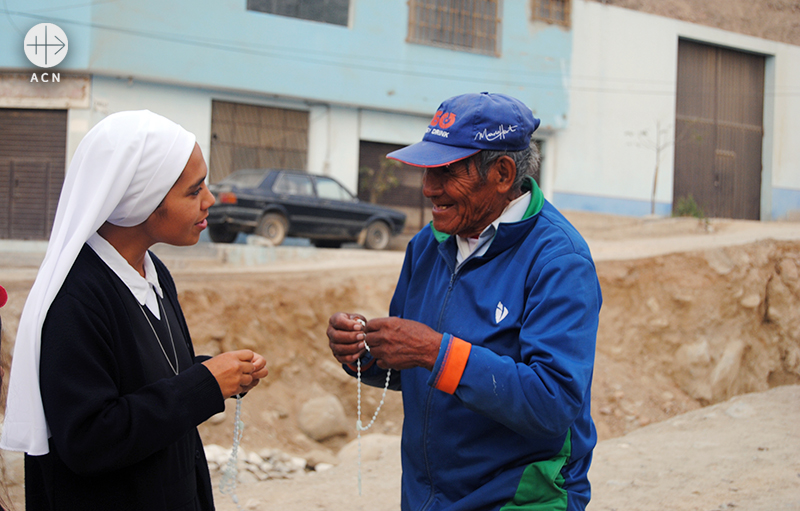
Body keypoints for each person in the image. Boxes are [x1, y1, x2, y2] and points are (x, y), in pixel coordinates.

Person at [327, 92, 602, 511]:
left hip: (521, 499)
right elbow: (412, 364)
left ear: (503, 173)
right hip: (428, 499)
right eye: (426, 171)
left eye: (446, 172)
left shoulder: (559, 260)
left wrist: (434, 351)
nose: (427, 188)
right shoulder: (428, 244)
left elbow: (553, 402)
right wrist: (363, 353)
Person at [0, 110, 269, 511]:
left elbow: (142, 376)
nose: (210, 201)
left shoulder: (152, 271)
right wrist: (203, 385)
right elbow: (89, 439)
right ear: (142, 200)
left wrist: (218, 373)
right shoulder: (75, 299)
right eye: (194, 192)